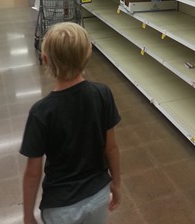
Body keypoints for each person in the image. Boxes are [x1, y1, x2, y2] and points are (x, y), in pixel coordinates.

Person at [20, 22, 121, 224]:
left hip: (61, 207)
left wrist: (28, 214)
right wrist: (116, 184)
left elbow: (33, 173)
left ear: (45, 59)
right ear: (88, 54)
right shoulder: (102, 94)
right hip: (98, 195)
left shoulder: (41, 112)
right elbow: (111, 148)